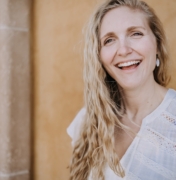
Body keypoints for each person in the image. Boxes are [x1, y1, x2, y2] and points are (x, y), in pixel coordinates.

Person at [67, 0, 176, 179]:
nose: (123, 50)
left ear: (157, 44)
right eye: (109, 40)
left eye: (136, 34)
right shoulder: (88, 120)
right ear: (99, 56)